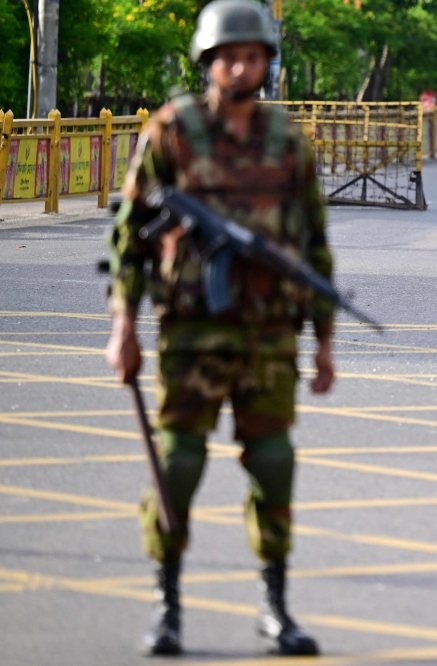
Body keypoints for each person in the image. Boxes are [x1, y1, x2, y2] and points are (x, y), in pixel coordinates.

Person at [103, 0, 332, 656]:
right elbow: (129, 240)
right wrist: (123, 327)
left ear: (266, 62)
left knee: (274, 463)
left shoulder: (288, 141)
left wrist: (324, 346)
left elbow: (314, 246)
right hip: (192, 334)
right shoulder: (173, 132)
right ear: (209, 60)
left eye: (254, 56)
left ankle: (275, 606)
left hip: (269, 335)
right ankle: (167, 604)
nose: (242, 66)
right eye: (230, 56)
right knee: (176, 463)